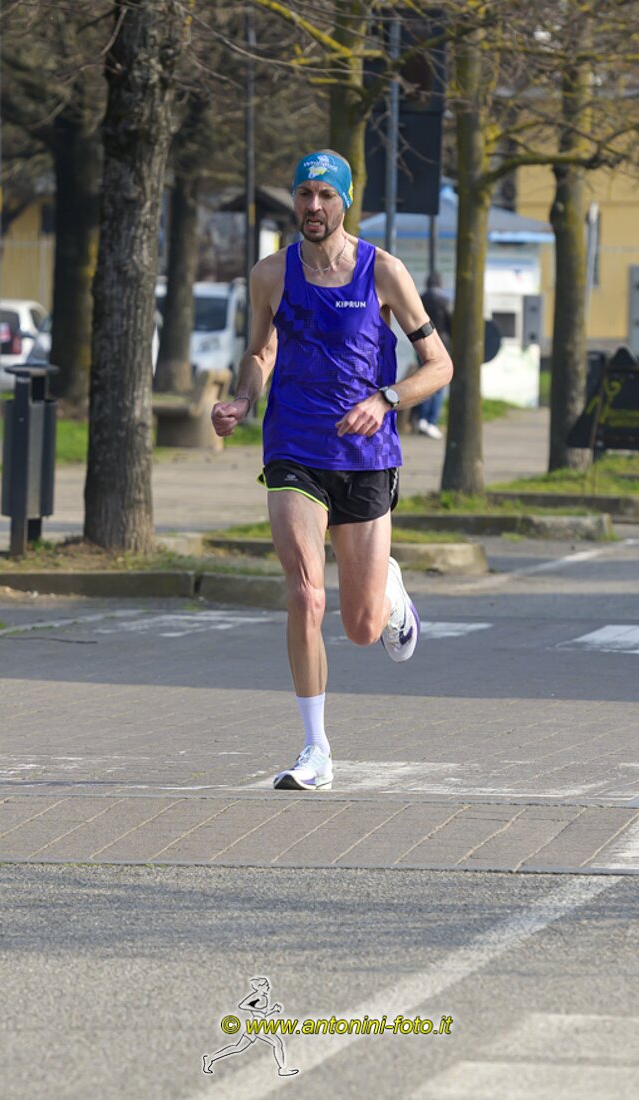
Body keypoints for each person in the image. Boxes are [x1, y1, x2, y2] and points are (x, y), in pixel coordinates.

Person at [211, 149, 453, 792]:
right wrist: (243, 399)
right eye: (303, 194)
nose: (312, 206)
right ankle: (315, 748)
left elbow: (440, 365)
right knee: (305, 594)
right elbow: (260, 350)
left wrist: (387, 399)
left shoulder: (384, 271)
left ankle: (389, 593)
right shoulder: (270, 274)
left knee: (362, 626)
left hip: (366, 455)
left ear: (345, 201)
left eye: (325, 195)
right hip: (293, 444)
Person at [409, 272, 452, 439]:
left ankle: (421, 419)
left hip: (420, 344)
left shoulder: (419, 299)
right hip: (441, 344)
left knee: (422, 381)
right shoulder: (445, 301)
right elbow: (451, 324)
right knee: (438, 385)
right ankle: (431, 421)